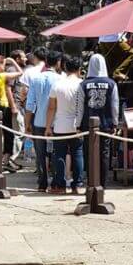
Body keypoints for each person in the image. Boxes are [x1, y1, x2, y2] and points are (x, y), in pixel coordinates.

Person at [78, 54, 120, 186]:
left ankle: (91, 181)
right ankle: (103, 182)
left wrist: (78, 124)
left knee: (89, 153)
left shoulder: (83, 84)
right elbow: (115, 105)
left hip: (87, 125)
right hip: (106, 124)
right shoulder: (111, 84)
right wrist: (115, 122)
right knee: (105, 153)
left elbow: (79, 107)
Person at [46, 55, 85, 195]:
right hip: (77, 125)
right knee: (78, 154)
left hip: (60, 124)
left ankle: (59, 184)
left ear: (65, 68)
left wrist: (48, 126)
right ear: (79, 69)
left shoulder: (57, 84)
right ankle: (78, 184)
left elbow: (51, 107)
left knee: (59, 155)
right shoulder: (82, 84)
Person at [24, 50, 62, 192]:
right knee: (57, 153)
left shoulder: (36, 79)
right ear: (58, 62)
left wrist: (27, 124)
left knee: (40, 154)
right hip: (56, 122)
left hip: (38, 122)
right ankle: (56, 182)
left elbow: (30, 105)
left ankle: (42, 182)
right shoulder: (61, 79)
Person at [6, 49, 27, 166]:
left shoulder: (14, 70)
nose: (25, 59)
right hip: (16, 106)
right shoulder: (12, 70)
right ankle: (11, 160)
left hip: (19, 105)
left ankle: (10, 159)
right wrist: (13, 106)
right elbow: (8, 88)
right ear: (17, 59)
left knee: (18, 133)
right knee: (20, 133)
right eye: (23, 57)